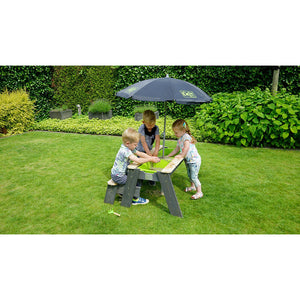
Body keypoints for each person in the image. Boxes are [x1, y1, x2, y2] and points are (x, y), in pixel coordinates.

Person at [111, 127, 160, 205]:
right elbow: (138, 160)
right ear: (127, 143)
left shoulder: (128, 147)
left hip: (119, 174)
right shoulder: (125, 151)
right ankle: (135, 199)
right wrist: (150, 159)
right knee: (135, 179)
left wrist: (151, 157)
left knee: (134, 175)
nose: (136, 146)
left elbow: (140, 154)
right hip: (118, 176)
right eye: (135, 144)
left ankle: (123, 193)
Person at [167, 119, 203, 200]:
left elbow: (186, 147)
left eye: (176, 132)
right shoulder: (180, 139)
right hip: (188, 160)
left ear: (183, 130)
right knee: (190, 175)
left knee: (194, 177)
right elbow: (176, 150)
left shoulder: (186, 137)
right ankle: (192, 187)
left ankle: (199, 192)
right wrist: (168, 156)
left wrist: (182, 155)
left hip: (194, 161)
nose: (175, 134)